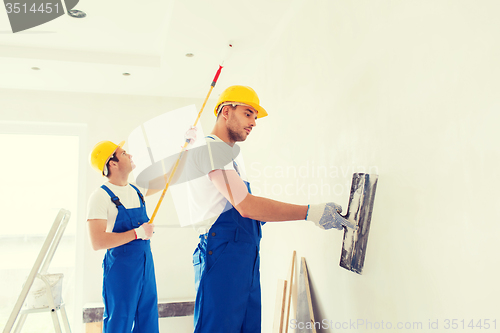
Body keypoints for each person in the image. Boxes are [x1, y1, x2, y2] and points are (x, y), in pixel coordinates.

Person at [182, 85, 356, 333]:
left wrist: (261, 217)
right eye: (248, 113)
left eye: (254, 116)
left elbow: (246, 211)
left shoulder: (228, 156)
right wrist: (311, 212)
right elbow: (246, 206)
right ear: (225, 112)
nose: (253, 122)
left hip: (243, 255)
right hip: (222, 255)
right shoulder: (209, 150)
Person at [87, 140, 165, 333]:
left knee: (148, 320)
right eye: (123, 153)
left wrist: (185, 147)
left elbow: (169, 177)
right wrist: (137, 233)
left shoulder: (137, 190)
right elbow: (97, 242)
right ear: (112, 163)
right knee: (119, 323)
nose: (129, 155)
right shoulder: (100, 196)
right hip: (121, 270)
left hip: (146, 266)